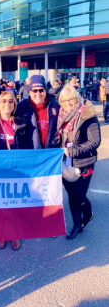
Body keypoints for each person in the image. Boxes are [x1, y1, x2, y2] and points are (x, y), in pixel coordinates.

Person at [54, 85, 101, 239]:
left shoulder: (87, 114)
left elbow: (95, 141)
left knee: (79, 196)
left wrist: (73, 151)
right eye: (64, 101)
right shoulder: (60, 115)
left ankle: (87, 214)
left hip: (84, 162)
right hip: (65, 162)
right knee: (71, 195)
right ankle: (77, 225)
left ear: (76, 98)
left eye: (71, 100)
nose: (68, 104)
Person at [0, 91, 29, 250]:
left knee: (15, 203)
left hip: (16, 170)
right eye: (4, 101)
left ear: (14, 104)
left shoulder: (21, 122)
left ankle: (14, 233)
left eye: (11, 101)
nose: (7, 103)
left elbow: (27, 146)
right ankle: (1, 233)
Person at [16, 75, 59, 149]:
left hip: (50, 153)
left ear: (45, 91)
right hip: (30, 154)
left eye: (41, 90)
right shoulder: (20, 107)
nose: (38, 94)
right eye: (34, 90)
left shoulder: (55, 106)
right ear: (29, 91)